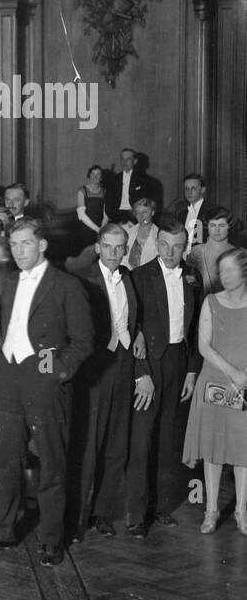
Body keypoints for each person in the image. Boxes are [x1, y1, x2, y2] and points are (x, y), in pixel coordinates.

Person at [0, 219, 93, 565]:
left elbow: (84, 340)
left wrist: (57, 371)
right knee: (6, 460)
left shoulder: (67, 285)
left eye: (26, 243)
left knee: (51, 462)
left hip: (44, 379)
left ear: (42, 245)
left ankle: (51, 538)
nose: (19, 251)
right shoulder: (10, 280)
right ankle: (3, 531)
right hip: (9, 377)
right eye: (14, 245)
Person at [67, 225, 147, 541]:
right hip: (94, 372)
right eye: (108, 247)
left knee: (116, 445)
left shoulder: (128, 277)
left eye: (119, 247)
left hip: (124, 365)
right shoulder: (83, 280)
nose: (114, 253)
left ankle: (102, 512)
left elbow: (133, 318)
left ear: (125, 249)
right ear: (98, 247)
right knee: (88, 447)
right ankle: (77, 519)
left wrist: (137, 332)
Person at [128, 218, 201, 533]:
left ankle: (157, 509)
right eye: (165, 245)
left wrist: (191, 371)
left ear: (185, 247)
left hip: (177, 362)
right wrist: (141, 373)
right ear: (156, 245)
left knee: (167, 439)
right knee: (142, 439)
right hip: (148, 364)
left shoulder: (192, 277)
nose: (171, 253)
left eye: (178, 246)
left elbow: (196, 328)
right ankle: (136, 515)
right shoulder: (139, 277)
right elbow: (131, 330)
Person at [182, 248, 247, 536]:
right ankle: (211, 510)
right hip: (215, 381)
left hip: (246, 384)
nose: (225, 276)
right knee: (213, 450)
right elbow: (203, 346)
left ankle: (241, 511)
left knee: (244, 450)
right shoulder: (210, 301)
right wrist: (233, 373)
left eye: (230, 270)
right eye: (221, 271)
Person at [188, 208, 234, 293]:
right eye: (212, 225)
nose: (217, 230)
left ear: (229, 226)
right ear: (207, 227)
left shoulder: (237, 254)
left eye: (222, 225)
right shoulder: (196, 252)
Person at [123, 197, 159, 269]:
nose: (141, 216)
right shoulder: (128, 232)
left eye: (145, 212)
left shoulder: (159, 235)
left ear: (152, 212)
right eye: (138, 213)